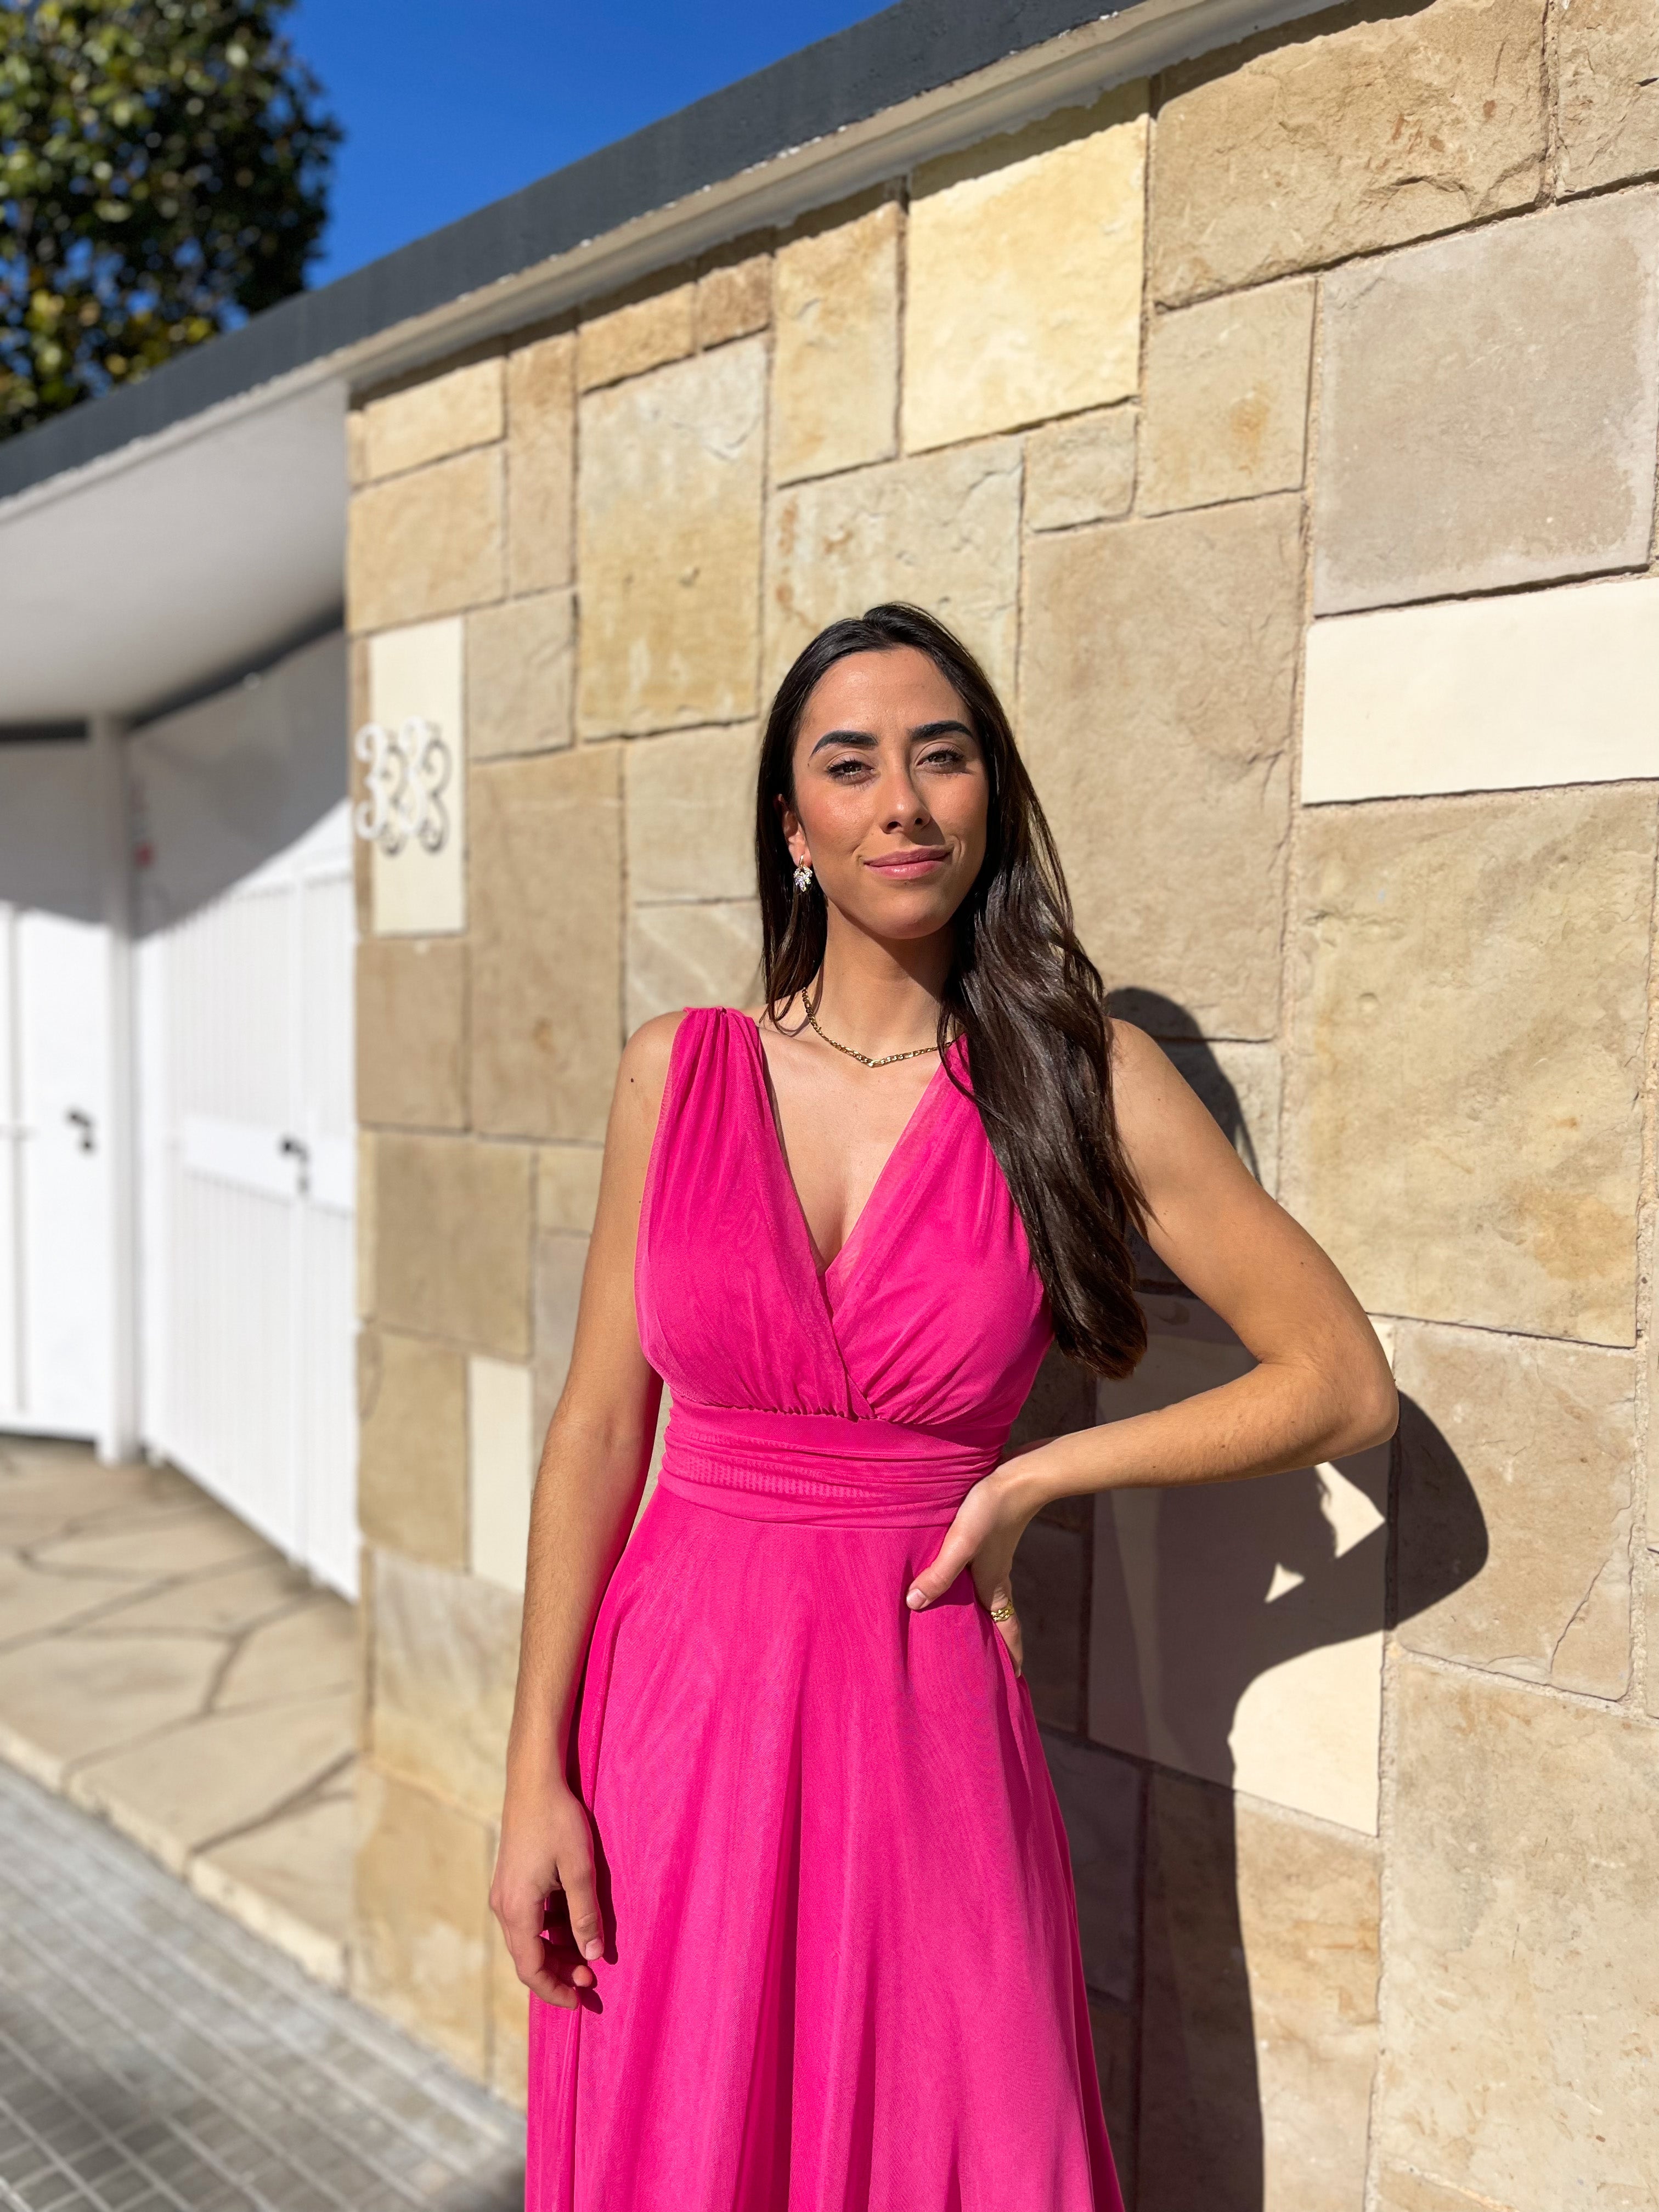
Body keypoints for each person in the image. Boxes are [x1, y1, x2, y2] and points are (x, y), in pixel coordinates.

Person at [492, 603, 1397, 2210]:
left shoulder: (1080, 1080)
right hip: (676, 1722)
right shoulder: (674, 1070)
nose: (902, 801)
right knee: (688, 2134)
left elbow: (1337, 1380)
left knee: (961, 2132)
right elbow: (597, 1435)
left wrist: (1036, 1478)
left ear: (990, 799)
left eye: (942, 755)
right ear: (795, 826)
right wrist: (533, 1779)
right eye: (850, 766)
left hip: (921, 1717)